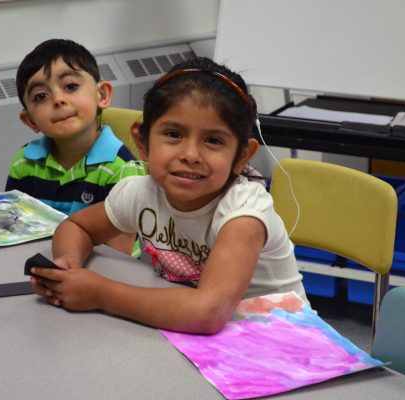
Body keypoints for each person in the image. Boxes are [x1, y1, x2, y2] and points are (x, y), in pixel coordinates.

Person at [30, 56, 309, 334]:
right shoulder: (141, 192)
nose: (190, 155)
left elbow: (207, 313)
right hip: (197, 338)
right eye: (174, 134)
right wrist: (68, 264)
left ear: (241, 157)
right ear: (143, 142)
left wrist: (99, 293)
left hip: (282, 341)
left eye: (213, 141)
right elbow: (78, 226)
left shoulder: (244, 212)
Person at [6, 39, 145, 255]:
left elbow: (119, 256)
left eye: (70, 86)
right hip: (41, 265)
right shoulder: (24, 161)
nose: (58, 99)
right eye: (41, 96)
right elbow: (12, 228)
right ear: (30, 120)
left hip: (104, 275)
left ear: (102, 95)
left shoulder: (122, 169)